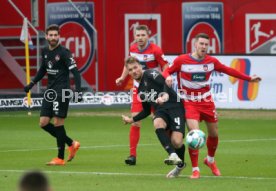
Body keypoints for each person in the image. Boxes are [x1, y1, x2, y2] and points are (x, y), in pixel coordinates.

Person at [163, 33, 262, 179]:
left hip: (207, 102)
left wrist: (249, 79)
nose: (203, 47)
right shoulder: (182, 60)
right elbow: (166, 70)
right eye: (201, 44)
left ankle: (210, 160)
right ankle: (195, 169)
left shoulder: (211, 61)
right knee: (194, 135)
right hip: (189, 102)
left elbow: (229, 70)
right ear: (195, 44)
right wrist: (168, 76)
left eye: (206, 45)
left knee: (214, 134)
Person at [24, 24, 82, 165]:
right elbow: (43, 70)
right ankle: (71, 143)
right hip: (50, 91)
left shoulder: (64, 52)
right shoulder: (45, 51)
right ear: (46, 36)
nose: (53, 37)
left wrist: (78, 91)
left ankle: (60, 158)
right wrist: (32, 83)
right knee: (43, 123)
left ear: (59, 36)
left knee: (57, 123)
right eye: (51, 35)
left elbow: (75, 72)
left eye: (56, 35)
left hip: (62, 91)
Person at [122, 56, 186, 178]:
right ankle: (172, 154)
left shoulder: (151, 73)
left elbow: (166, 84)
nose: (134, 71)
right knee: (157, 123)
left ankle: (180, 165)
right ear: (128, 73)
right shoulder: (140, 90)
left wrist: (163, 96)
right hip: (161, 110)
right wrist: (131, 120)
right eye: (130, 70)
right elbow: (146, 111)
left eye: (135, 67)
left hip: (175, 106)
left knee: (177, 142)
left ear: (140, 66)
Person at [116, 25, 169, 165]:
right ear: (134, 36)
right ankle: (132, 156)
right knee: (135, 120)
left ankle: (173, 151)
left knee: (159, 121)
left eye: (142, 35)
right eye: (138, 35)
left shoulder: (155, 50)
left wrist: (164, 80)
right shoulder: (132, 49)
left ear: (148, 36)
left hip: (154, 91)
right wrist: (122, 77)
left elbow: (165, 66)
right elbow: (128, 65)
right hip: (138, 89)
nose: (140, 38)